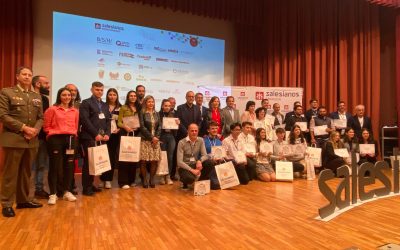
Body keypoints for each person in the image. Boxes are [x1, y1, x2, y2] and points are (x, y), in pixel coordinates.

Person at [0, 66, 43, 217]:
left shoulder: (36, 96)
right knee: (10, 173)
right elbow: (3, 115)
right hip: (14, 138)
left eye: (29, 75)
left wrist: (35, 130)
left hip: (31, 140)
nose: (27, 77)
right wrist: (24, 128)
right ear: (17, 76)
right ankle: (6, 204)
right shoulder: (7, 92)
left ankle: (23, 199)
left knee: (26, 172)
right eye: (24, 74)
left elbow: (40, 118)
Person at [43, 88, 79, 205]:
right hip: (55, 139)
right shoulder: (52, 109)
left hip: (70, 139)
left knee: (69, 166)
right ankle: (53, 193)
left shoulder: (75, 111)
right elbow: (46, 126)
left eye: (69, 95)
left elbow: (76, 125)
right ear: (59, 96)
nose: (67, 97)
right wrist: (52, 134)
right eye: (64, 95)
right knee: (54, 166)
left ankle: (66, 191)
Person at [79, 81, 111, 196]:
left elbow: (108, 121)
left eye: (101, 90)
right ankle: (86, 188)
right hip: (89, 138)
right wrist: (95, 134)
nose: (100, 92)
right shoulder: (86, 103)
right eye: (97, 89)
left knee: (96, 162)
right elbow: (85, 120)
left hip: (102, 138)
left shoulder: (105, 105)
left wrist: (108, 133)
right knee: (88, 163)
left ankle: (91, 184)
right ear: (92, 90)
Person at [31, 75, 50, 199]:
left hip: (42, 136)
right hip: (27, 135)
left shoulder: (45, 99)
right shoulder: (29, 97)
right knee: (25, 164)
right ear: (38, 84)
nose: (48, 86)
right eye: (46, 83)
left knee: (41, 164)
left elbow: (45, 118)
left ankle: (39, 188)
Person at [117, 90, 140, 189]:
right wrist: (125, 127)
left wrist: (138, 127)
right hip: (125, 133)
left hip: (136, 134)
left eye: (134, 95)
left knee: (133, 157)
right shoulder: (123, 107)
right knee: (124, 157)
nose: (133, 97)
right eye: (131, 96)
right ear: (128, 97)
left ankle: (131, 180)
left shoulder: (139, 108)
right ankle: (123, 182)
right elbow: (119, 122)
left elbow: (141, 121)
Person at [99, 88, 121, 189]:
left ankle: (108, 180)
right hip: (104, 135)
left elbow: (124, 121)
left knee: (111, 157)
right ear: (107, 96)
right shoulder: (103, 105)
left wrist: (119, 129)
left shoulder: (121, 107)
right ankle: (102, 178)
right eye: (110, 94)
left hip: (115, 135)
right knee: (103, 156)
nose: (112, 96)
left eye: (114, 94)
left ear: (117, 96)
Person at [177, 123, 209, 189]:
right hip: (185, 167)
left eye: (196, 131)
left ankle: (199, 183)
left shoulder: (201, 140)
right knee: (189, 178)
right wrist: (192, 170)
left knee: (210, 163)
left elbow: (205, 155)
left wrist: (199, 161)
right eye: (192, 131)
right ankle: (185, 182)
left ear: (198, 131)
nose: (194, 132)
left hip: (195, 164)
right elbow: (179, 162)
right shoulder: (181, 142)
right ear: (188, 131)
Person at [139, 95, 161, 188]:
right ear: (145, 103)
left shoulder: (157, 113)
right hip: (145, 140)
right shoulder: (142, 112)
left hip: (155, 141)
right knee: (143, 161)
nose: (151, 103)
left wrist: (156, 137)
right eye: (149, 102)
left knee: (154, 161)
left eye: (152, 101)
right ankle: (144, 179)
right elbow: (142, 127)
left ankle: (152, 179)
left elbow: (159, 126)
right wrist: (152, 137)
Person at [159, 99, 179, 185]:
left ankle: (168, 176)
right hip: (162, 137)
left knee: (170, 158)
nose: (167, 107)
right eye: (165, 105)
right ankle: (162, 176)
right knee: (163, 157)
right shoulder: (158, 114)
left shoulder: (174, 115)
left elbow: (176, 129)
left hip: (171, 137)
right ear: (162, 106)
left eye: (169, 106)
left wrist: (178, 123)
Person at [202, 121, 222, 189]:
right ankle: (205, 178)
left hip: (217, 163)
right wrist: (210, 157)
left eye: (216, 128)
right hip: (207, 163)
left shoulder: (219, 141)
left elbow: (222, 154)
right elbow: (201, 155)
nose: (215, 130)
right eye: (212, 128)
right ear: (208, 130)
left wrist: (221, 157)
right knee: (216, 186)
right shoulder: (203, 141)